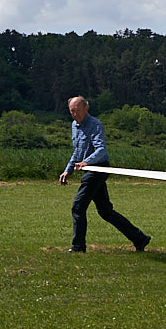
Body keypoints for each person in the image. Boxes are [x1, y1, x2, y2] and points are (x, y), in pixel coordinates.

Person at [58, 96, 150, 253]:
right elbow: (77, 152)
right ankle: (140, 238)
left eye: (77, 110)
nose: (74, 114)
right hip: (88, 170)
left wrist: (87, 162)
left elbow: (101, 150)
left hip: (98, 168)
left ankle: (78, 247)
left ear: (86, 109)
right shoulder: (74, 126)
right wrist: (68, 170)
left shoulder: (95, 124)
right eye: (71, 111)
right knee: (105, 211)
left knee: (78, 206)